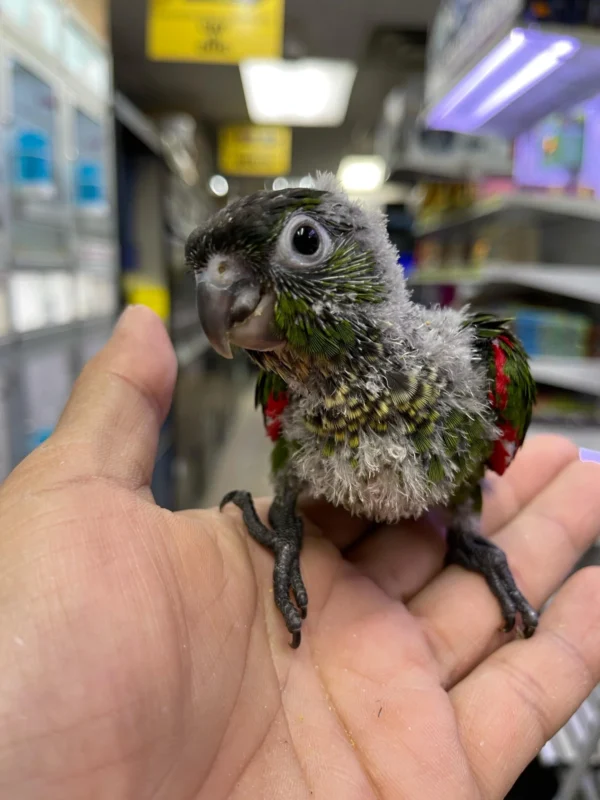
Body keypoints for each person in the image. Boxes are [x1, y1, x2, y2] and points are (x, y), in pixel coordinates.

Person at [0, 304, 599, 800]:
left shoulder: (482, 361)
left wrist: (464, 531)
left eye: (305, 243)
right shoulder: (285, 366)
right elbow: (286, 442)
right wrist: (283, 520)